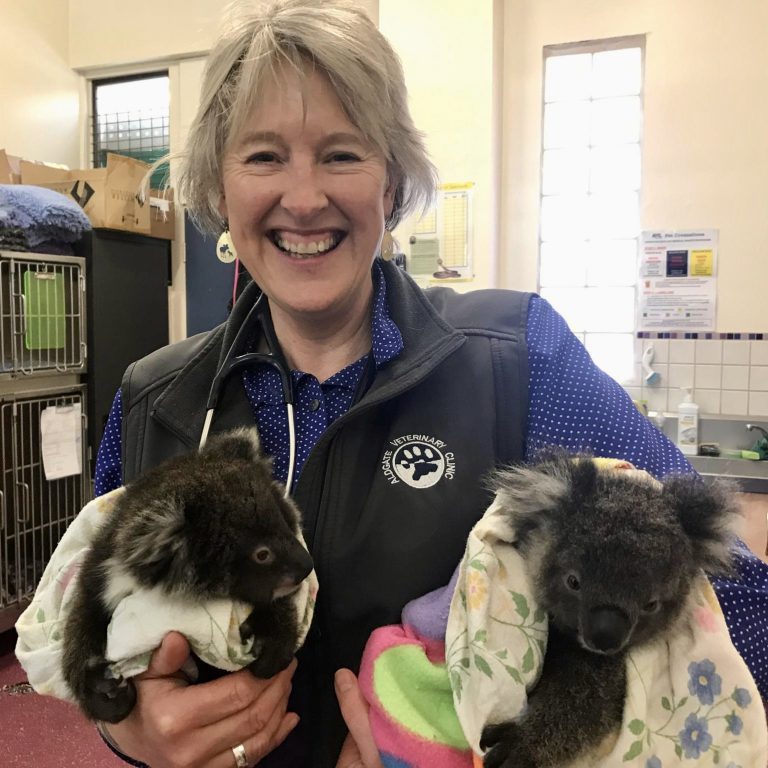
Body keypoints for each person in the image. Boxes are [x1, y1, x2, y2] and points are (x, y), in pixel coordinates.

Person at [90, 1, 768, 766]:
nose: (305, 196)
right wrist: (126, 728)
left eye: (343, 154)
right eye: (264, 156)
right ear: (220, 183)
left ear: (392, 182)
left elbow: (737, 612)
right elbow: (95, 615)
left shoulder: (518, 360)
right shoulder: (157, 400)